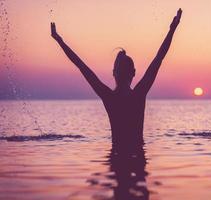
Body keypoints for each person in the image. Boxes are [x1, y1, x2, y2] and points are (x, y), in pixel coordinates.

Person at [51, 9, 182, 148]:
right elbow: (159, 58)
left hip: (116, 160)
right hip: (138, 158)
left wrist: (60, 41)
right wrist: (172, 30)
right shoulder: (138, 94)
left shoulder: (109, 97)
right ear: (133, 73)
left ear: (114, 73)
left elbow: (80, 65)